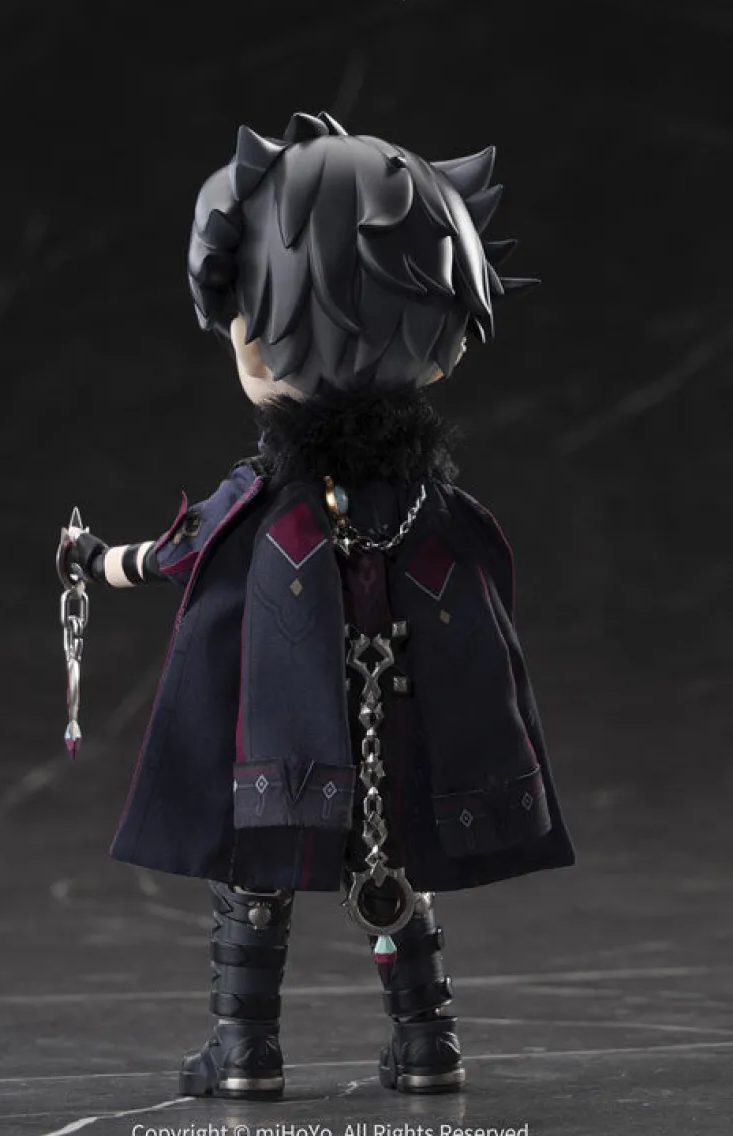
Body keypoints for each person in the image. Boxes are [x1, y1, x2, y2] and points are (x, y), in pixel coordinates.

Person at [61, 110, 575, 1101]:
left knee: (253, 884)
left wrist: (90, 558)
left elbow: (168, 557)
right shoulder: (443, 513)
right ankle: (427, 1043)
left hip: (279, 745)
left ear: (255, 346)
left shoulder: (265, 500)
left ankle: (246, 1050)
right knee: (394, 875)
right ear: (444, 345)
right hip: (397, 741)